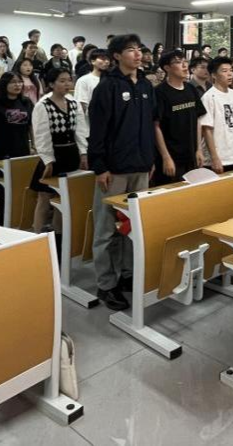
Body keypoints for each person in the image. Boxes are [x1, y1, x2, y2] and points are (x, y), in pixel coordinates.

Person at [87, 34, 155, 311]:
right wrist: (100, 166)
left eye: (139, 49)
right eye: (130, 50)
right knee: (106, 230)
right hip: (113, 169)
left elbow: (150, 124)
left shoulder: (146, 85)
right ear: (116, 56)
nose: (137, 54)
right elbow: (97, 130)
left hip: (141, 166)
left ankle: (128, 274)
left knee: (132, 227)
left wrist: (150, 158)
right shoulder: (107, 87)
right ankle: (106, 284)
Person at [29, 68, 87, 233]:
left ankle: (59, 234)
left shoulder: (74, 103)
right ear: (51, 84)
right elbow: (41, 135)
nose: (67, 84)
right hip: (53, 156)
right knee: (44, 197)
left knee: (64, 198)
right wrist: (48, 160)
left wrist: (83, 153)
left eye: (69, 80)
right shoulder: (43, 105)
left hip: (71, 155)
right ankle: (37, 235)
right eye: (62, 81)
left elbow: (81, 130)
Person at [153, 50, 207, 183]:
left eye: (185, 61)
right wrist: (166, 157)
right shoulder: (159, 92)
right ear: (167, 68)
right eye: (178, 62)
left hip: (191, 154)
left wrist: (199, 149)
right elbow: (156, 126)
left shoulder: (191, 89)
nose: (184, 65)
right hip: (171, 157)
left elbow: (197, 120)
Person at [201, 57, 233, 171]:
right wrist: (214, 158)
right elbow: (207, 130)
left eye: (231, 70)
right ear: (214, 75)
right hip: (218, 157)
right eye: (224, 71)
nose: (230, 74)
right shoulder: (209, 97)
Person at [0, 72, 34, 159]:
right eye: (13, 82)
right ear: (4, 84)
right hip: (0, 151)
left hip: (23, 149)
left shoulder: (26, 102)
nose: (17, 85)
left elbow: (32, 126)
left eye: (20, 82)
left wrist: (34, 146)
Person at [75, 49, 108, 118]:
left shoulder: (112, 80)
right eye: (103, 59)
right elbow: (82, 104)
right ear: (93, 61)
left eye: (108, 59)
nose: (106, 61)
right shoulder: (84, 80)